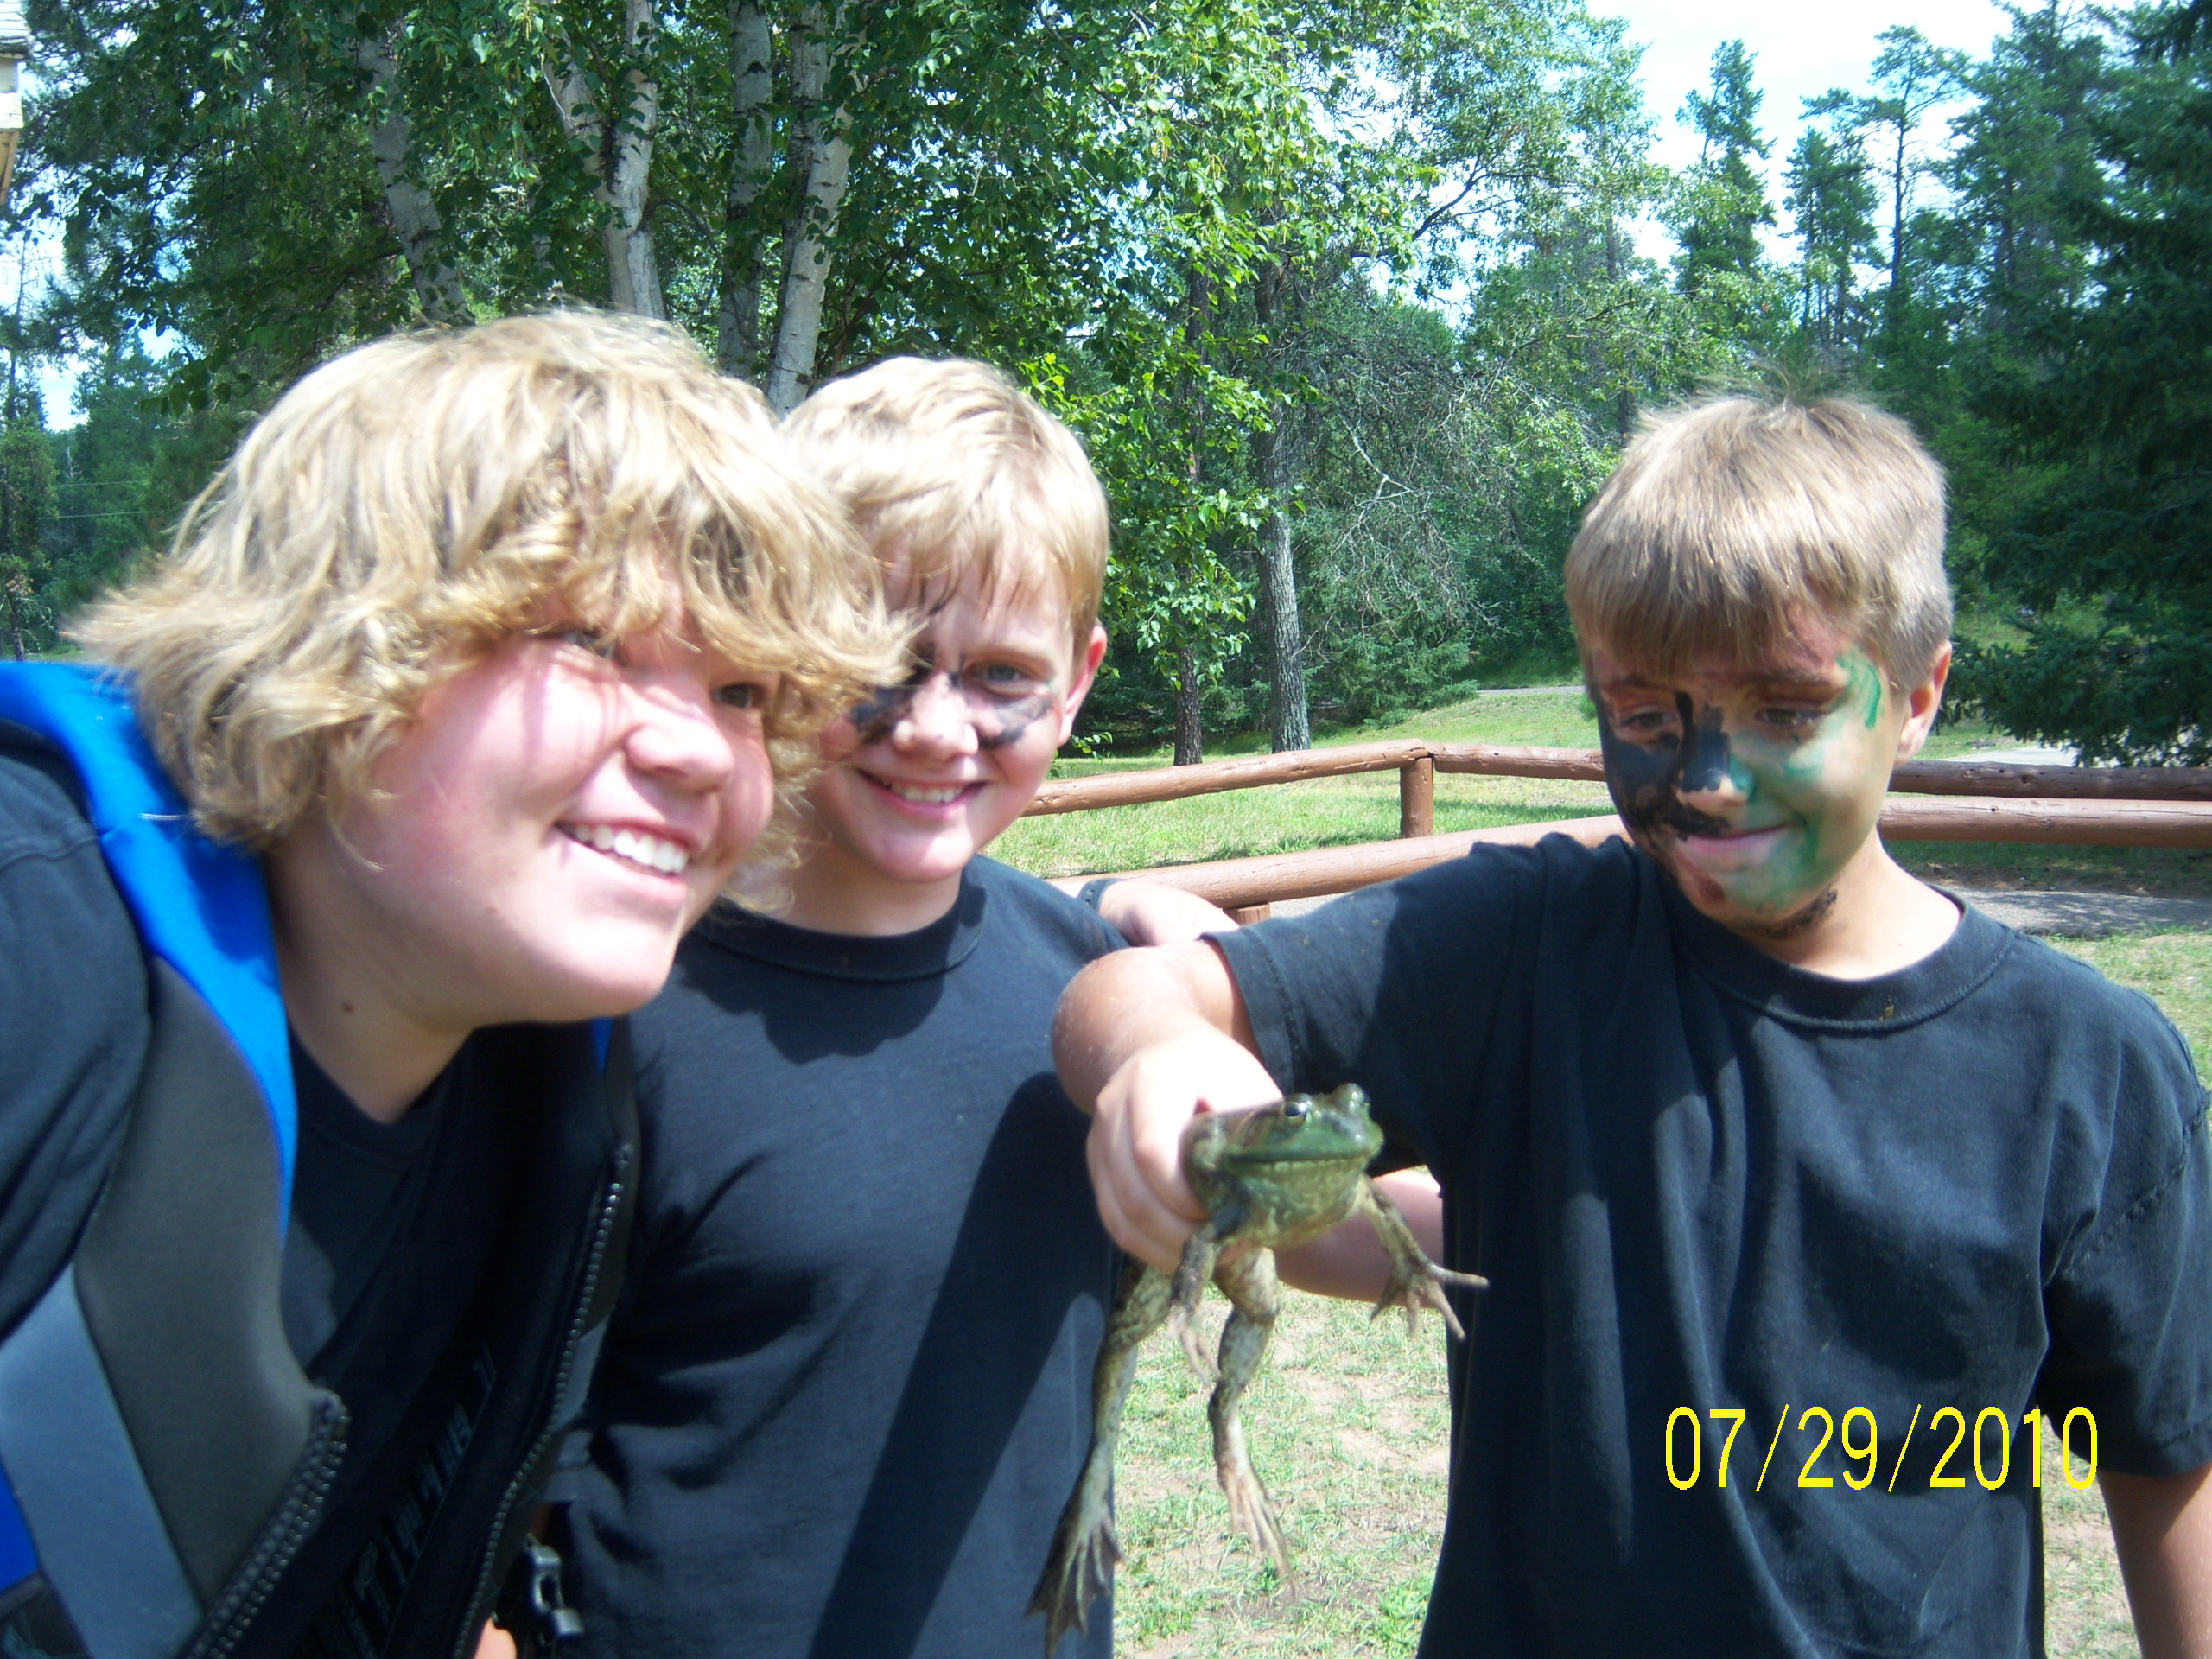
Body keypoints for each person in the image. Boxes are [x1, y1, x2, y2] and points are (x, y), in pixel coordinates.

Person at [1056, 396, 2212, 1658]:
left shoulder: (2089, 1071)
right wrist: (1165, 1051)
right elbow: (1132, 996)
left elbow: (2167, 1463)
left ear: (1918, 692)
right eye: (1650, 718)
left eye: (1786, 709)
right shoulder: (1522, 946)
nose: (1706, 780)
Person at [0, 312, 896, 1659]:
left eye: (742, 692)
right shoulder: (36, 946)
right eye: (589, 639)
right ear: (345, 635)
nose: (702, 753)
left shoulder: (553, 1091)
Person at [557, 356, 1227, 1658]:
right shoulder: (619, 1004)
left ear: (1078, 682)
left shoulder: (1095, 989)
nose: (932, 727)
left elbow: (1334, 1217)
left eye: (1000, 676)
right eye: (878, 660)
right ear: (776, 641)